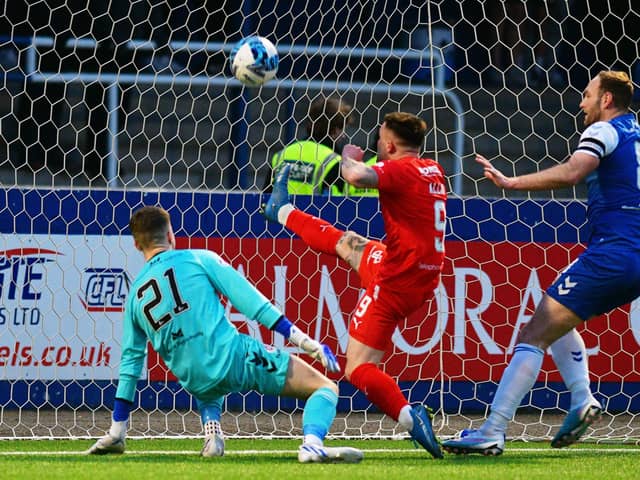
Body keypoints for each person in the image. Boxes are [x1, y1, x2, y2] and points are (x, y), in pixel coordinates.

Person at [442, 70, 640, 455]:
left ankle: (493, 430)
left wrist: (510, 182)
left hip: (614, 252)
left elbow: (573, 171)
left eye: (587, 95)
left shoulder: (603, 131)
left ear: (607, 100)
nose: (581, 103)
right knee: (556, 315)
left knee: (534, 334)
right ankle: (582, 399)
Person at [86, 206, 363, 463]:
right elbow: (252, 303)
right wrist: (306, 342)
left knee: (201, 364)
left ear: (136, 244)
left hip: (194, 382)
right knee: (325, 388)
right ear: (171, 234)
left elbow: (130, 365)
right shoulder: (198, 258)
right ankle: (312, 445)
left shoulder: (134, 296)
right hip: (235, 360)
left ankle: (213, 436)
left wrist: (118, 428)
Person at [263, 111, 447, 459]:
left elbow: (355, 175)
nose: (377, 142)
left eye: (380, 138)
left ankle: (411, 418)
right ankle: (282, 210)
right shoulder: (432, 169)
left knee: (357, 369)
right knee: (348, 243)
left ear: (390, 145)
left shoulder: (399, 170)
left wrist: (348, 153)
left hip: (395, 281)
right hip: (416, 270)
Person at [265, 95, 354, 195]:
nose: (344, 136)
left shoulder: (281, 155)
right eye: (342, 130)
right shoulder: (333, 162)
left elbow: (266, 197)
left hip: (283, 210)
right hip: (311, 211)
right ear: (335, 130)